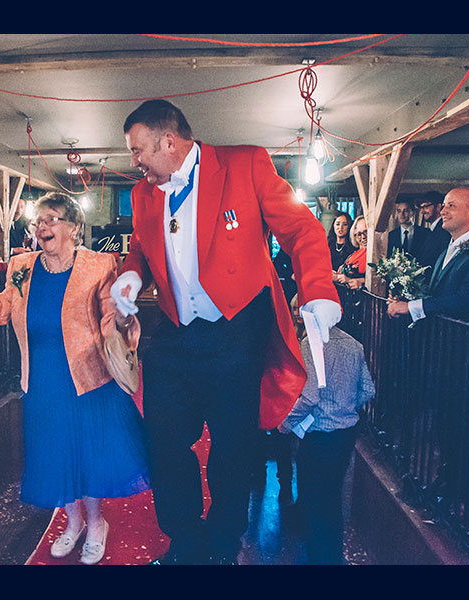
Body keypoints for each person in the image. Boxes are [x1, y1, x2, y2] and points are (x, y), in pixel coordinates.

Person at [111, 99, 341, 565]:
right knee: (163, 437)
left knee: (234, 448)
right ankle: (183, 539)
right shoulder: (141, 195)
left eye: (138, 151)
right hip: (177, 332)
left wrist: (317, 288)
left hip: (237, 332)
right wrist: (132, 274)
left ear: (168, 141)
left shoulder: (246, 164)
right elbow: (140, 248)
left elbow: (300, 229)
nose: (134, 162)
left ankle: (223, 543)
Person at [0, 192, 150, 565]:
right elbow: (4, 303)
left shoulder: (99, 265)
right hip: (41, 376)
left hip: (86, 377)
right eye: (38, 221)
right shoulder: (21, 265)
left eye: (52, 219)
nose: (42, 227)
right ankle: (72, 523)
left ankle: (96, 523)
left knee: (86, 453)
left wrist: (121, 317)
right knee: (54, 451)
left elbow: (109, 314)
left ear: (74, 227)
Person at [278, 300, 375, 565]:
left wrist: (285, 423)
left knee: (311, 498)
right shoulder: (354, 345)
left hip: (320, 433)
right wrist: (344, 407)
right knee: (332, 497)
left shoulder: (311, 344)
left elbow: (309, 397)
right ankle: (332, 557)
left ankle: (317, 556)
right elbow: (368, 390)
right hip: (346, 433)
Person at [387, 187, 469, 327]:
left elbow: (468, 300)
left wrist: (412, 307)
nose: (443, 211)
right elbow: (437, 293)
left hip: (466, 341)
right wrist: (406, 299)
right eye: (443, 206)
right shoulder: (445, 251)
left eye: (451, 206)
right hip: (441, 337)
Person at [387, 198, 431, 264]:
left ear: (413, 212)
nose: (401, 214)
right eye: (399, 211)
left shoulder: (425, 233)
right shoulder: (391, 236)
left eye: (406, 211)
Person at [335, 215, 367, 290]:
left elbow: (375, 279)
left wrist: (348, 280)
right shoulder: (355, 253)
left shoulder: (374, 254)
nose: (363, 237)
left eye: (366, 232)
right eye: (359, 234)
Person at [418, 191, 450, 266]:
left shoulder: (444, 230)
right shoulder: (429, 231)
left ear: (438, 207)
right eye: (421, 208)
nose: (422, 211)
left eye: (426, 207)